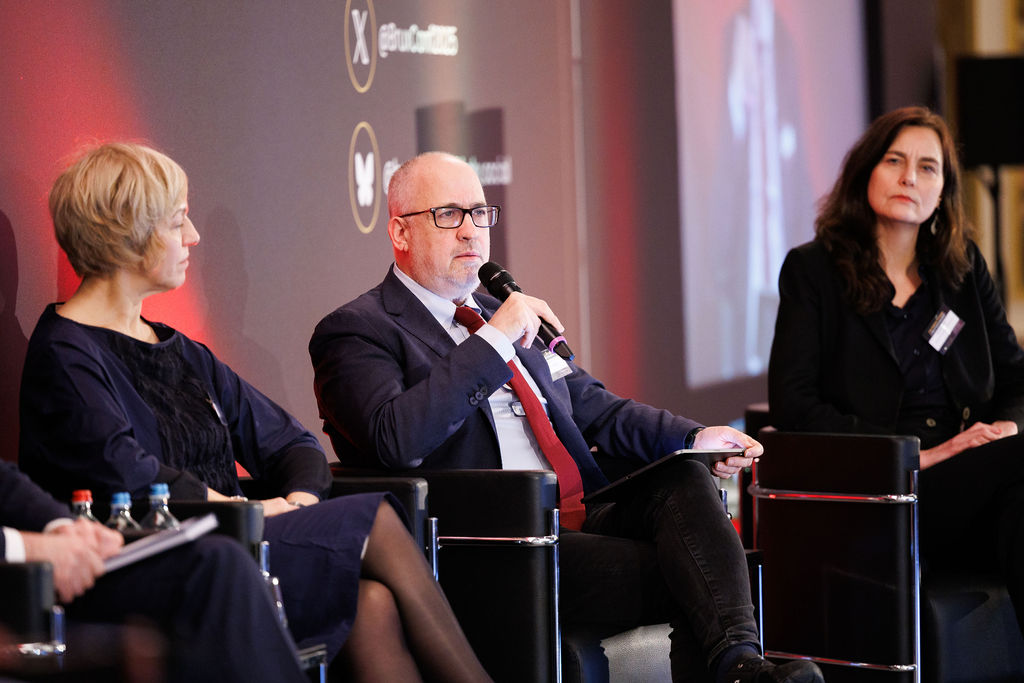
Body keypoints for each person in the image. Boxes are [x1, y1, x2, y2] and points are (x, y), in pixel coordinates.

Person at [309, 151, 825, 683]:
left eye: (480, 213)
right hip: (496, 536)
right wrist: (494, 341)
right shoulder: (358, 330)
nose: (471, 231)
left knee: (686, 479)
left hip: (581, 510)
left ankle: (741, 666)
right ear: (400, 231)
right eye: (448, 215)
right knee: (700, 573)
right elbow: (396, 438)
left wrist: (694, 437)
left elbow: (594, 406)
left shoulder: (499, 312)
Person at [18, 142, 492, 683]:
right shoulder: (65, 354)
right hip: (158, 562)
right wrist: (246, 510)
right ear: (126, 233)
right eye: (177, 221)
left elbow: (292, 443)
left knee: (373, 604)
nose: (193, 236)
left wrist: (297, 502)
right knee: (377, 520)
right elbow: (126, 471)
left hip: (238, 540)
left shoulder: (180, 350)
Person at [768, 106, 1024, 634]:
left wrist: (1006, 428)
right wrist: (919, 455)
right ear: (866, 172)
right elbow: (794, 405)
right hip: (884, 489)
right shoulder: (812, 271)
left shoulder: (962, 269)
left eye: (928, 167)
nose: (910, 177)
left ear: (943, 192)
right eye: (894, 161)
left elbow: (1015, 378)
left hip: (973, 484)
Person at [0, 460, 307, 682]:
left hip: (34, 565)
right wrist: (26, 547)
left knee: (215, 560)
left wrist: (64, 527)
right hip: (15, 581)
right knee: (215, 570)